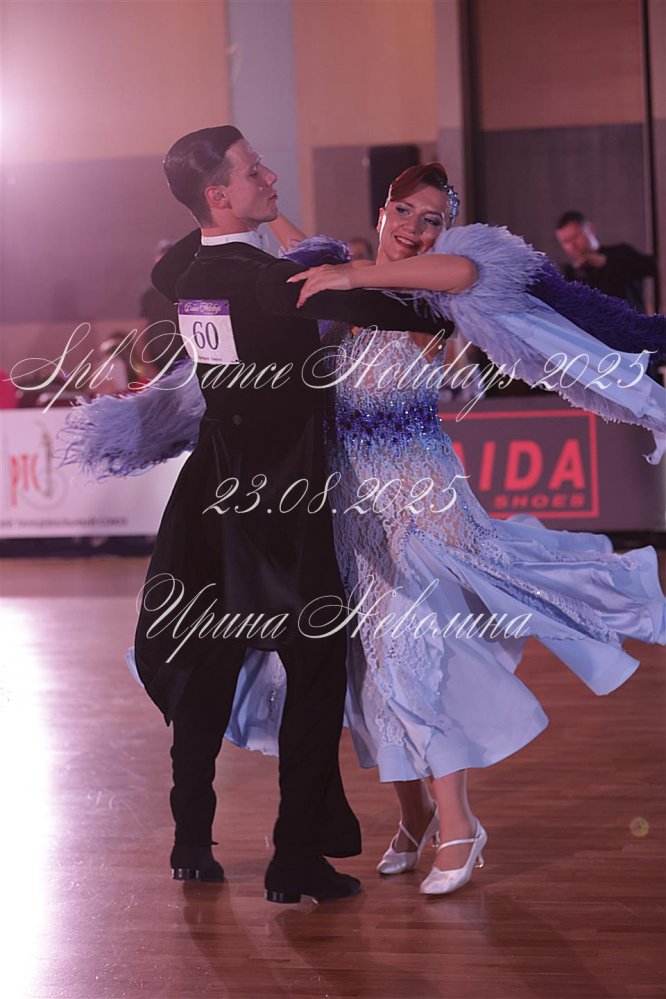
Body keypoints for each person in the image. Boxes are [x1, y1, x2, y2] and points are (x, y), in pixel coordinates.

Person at [63, 161, 666, 899]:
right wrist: (295, 239)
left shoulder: (432, 289)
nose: (416, 228)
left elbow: (460, 270)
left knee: (414, 658)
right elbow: (291, 259)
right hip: (347, 510)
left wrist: (346, 271)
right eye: (404, 212)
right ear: (382, 211)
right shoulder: (332, 283)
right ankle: (412, 818)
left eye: (432, 219)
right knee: (369, 673)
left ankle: (458, 824)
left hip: (419, 506)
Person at [129, 127, 452, 904]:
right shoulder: (270, 281)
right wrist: (471, 286)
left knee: (207, 657)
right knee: (315, 662)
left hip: (212, 494)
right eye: (252, 171)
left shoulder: (190, 271)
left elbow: (171, 262)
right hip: (277, 497)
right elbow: (399, 305)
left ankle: (191, 838)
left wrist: (221, 222)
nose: (270, 177)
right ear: (219, 193)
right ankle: (295, 856)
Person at [555, 210, 657, 314]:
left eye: (575, 237)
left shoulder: (621, 253)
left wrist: (604, 262)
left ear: (590, 229)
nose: (572, 246)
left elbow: (653, 266)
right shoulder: (569, 275)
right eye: (565, 242)